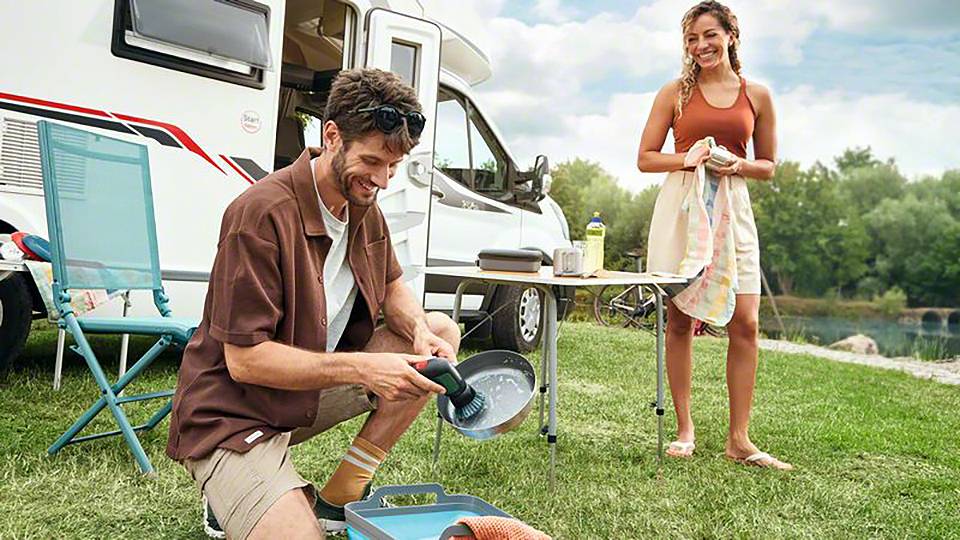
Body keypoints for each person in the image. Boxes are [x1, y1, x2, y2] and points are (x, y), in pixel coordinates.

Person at [166, 68, 462, 539]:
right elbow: (245, 362)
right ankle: (232, 493)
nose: (383, 180)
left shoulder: (363, 205)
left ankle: (340, 495)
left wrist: (418, 331)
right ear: (331, 135)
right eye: (372, 162)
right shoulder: (260, 213)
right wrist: (365, 370)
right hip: (232, 412)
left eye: (393, 167)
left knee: (440, 332)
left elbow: (391, 287)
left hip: (299, 396)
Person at [637, 1, 792, 470]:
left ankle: (739, 440)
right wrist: (690, 158)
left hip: (734, 210)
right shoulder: (674, 94)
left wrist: (735, 163)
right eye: (691, 38)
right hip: (682, 208)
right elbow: (645, 157)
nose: (700, 46)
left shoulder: (758, 96)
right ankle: (686, 429)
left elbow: (766, 166)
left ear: (730, 35)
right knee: (680, 318)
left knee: (745, 321)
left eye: (709, 35)